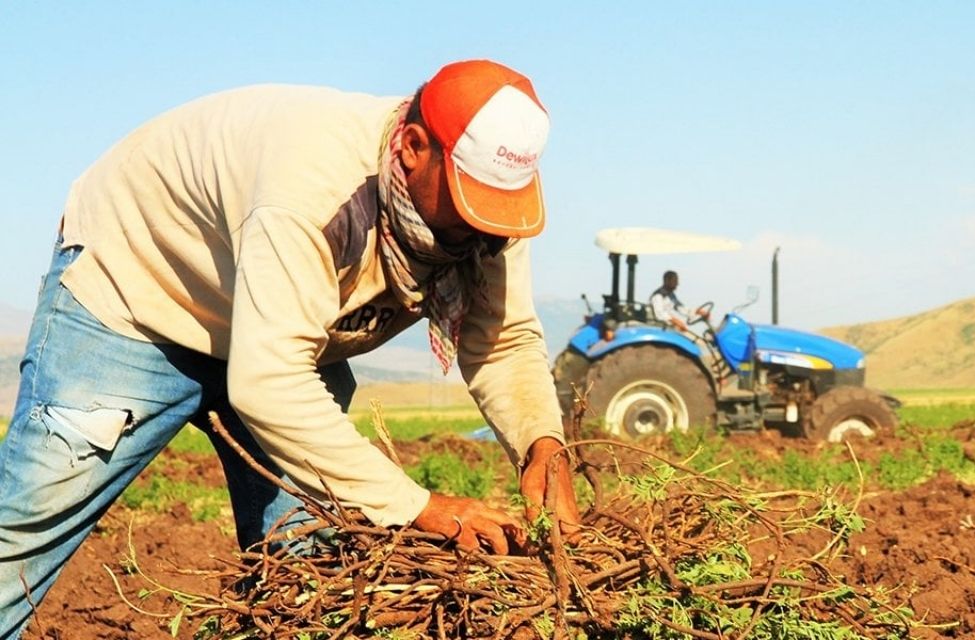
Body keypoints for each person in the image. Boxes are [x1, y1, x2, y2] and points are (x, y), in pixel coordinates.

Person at [0, 59, 581, 638]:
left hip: (283, 342)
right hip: (140, 293)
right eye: (465, 204)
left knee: (310, 570)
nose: (481, 229)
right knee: (25, 530)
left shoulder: (489, 212)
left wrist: (543, 446)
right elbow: (270, 383)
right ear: (412, 146)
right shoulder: (312, 185)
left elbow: (502, 339)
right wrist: (419, 505)